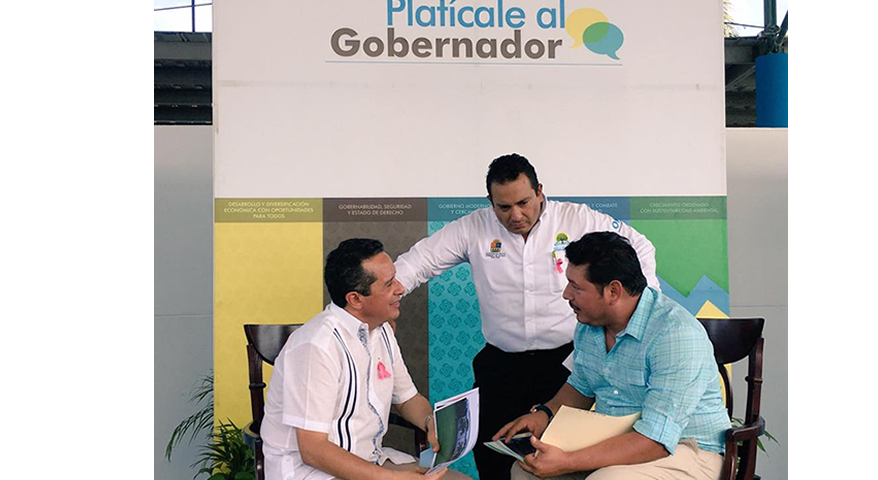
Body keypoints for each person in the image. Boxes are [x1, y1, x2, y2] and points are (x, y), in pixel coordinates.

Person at [394, 154, 659, 480]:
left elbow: (640, 248)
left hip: (566, 363)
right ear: (490, 202)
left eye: (524, 202)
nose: (516, 215)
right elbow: (417, 263)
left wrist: (640, 314)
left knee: (556, 460)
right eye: (503, 207)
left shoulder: (577, 219)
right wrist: (382, 301)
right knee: (492, 450)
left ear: (540, 192)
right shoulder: (473, 227)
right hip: (502, 364)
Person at [493, 232, 730, 480]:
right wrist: (544, 415)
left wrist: (568, 461)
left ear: (613, 291)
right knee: (525, 473)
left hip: (688, 451)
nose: (566, 294)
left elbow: (656, 441)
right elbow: (580, 388)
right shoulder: (589, 324)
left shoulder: (675, 335)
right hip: (619, 444)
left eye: (576, 286)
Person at [260, 238, 470, 480]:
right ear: (356, 299)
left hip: (370, 461)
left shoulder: (380, 331)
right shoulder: (316, 346)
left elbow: (408, 399)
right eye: (389, 284)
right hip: (312, 473)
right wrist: (390, 479)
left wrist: (429, 421)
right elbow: (313, 450)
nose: (400, 288)